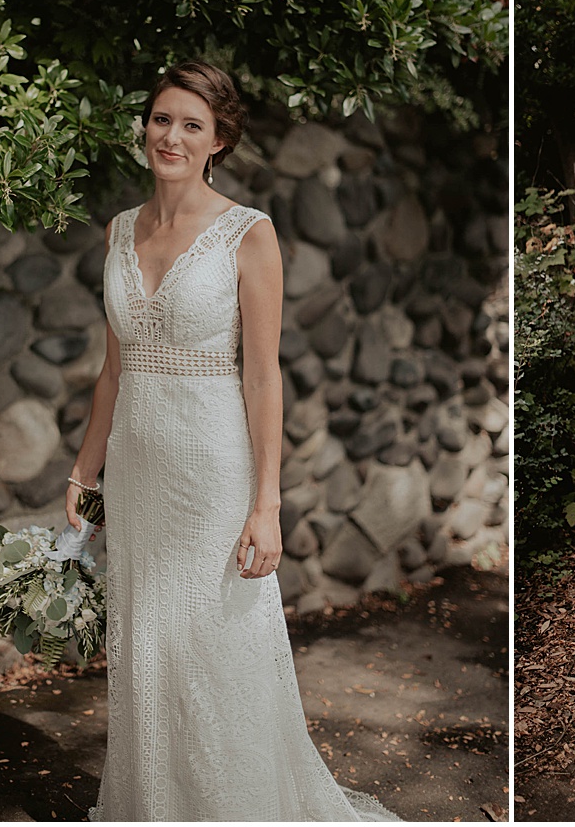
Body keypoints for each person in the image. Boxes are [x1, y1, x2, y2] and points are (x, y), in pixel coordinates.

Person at [66, 61, 398, 820]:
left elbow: (263, 378)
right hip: (138, 475)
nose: (171, 137)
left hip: (210, 470)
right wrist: (86, 471)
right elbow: (114, 370)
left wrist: (266, 505)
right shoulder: (119, 230)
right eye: (161, 119)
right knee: (147, 644)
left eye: (192, 125)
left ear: (218, 140)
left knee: (219, 645)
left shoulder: (248, 233)